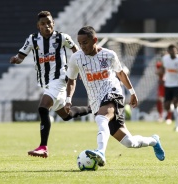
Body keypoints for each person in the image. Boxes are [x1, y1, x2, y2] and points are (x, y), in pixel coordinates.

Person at [64, 26, 165, 167]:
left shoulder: (109, 54)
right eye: (79, 43)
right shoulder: (76, 58)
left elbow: (121, 73)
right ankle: (154, 141)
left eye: (85, 42)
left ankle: (100, 152)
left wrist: (132, 92)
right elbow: (71, 80)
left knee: (101, 118)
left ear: (95, 40)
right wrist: (68, 100)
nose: (82, 46)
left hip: (113, 93)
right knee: (129, 142)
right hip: (95, 101)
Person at [10, 11, 91, 158]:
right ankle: (94, 108)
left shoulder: (62, 37)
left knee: (43, 107)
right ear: (38, 26)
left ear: (53, 22)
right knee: (66, 115)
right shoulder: (32, 39)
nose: (47, 26)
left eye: (49, 23)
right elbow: (21, 56)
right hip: (45, 82)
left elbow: (76, 51)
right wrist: (16, 59)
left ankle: (43, 147)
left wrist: (79, 69)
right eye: (43, 24)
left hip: (60, 79)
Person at [160, 44, 178, 132]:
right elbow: (163, 68)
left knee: (175, 102)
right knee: (167, 106)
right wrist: (162, 76)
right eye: (170, 50)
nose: (172, 52)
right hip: (168, 84)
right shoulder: (165, 59)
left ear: (176, 51)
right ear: (168, 51)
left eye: (174, 50)